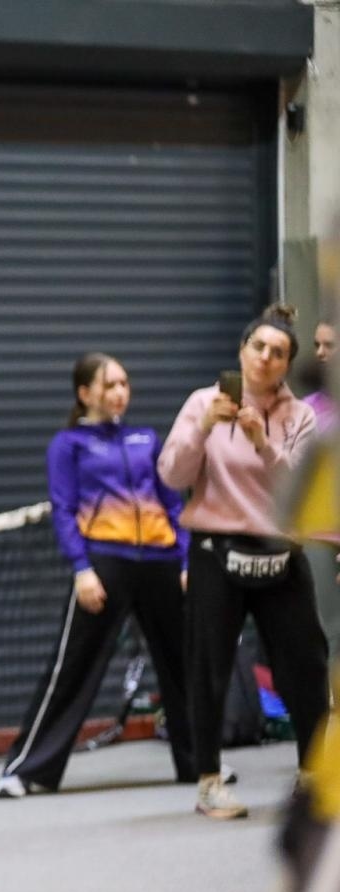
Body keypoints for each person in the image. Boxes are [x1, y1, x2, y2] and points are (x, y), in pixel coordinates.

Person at [0, 353, 197, 799]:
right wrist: (82, 569)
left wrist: (185, 561)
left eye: (124, 383)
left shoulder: (146, 439)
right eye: (110, 385)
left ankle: (202, 763)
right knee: (72, 669)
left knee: (183, 664)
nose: (120, 392)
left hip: (161, 563)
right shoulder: (68, 445)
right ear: (85, 394)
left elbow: (174, 505)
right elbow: (64, 511)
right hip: (106, 564)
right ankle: (28, 769)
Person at [158, 303, 327, 819]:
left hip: (278, 553)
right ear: (242, 350)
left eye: (279, 353)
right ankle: (209, 780)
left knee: (305, 666)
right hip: (215, 550)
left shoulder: (300, 416)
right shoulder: (202, 403)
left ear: (287, 364)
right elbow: (171, 473)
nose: (267, 358)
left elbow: (299, 490)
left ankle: (313, 776)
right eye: (260, 348)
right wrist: (204, 427)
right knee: (208, 665)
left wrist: (262, 443)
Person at [296, 321, 340, 655]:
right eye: (317, 345)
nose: (322, 353)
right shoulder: (305, 410)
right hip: (321, 539)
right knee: (330, 631)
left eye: (330, 345)